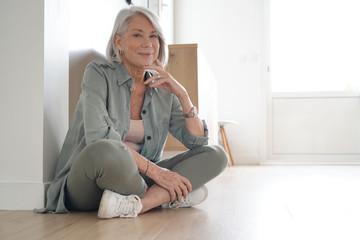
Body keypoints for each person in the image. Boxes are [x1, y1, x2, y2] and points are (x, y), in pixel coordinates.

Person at [36, 6, 228, 218]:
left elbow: (197, 143)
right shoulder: (98, 73)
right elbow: (98, 138)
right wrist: (159, 174)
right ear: (119, 42)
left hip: (138, 179)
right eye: (138, 35)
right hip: (89, 182)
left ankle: (139, 205)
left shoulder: (163, 90)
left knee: (217, 154)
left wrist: (183, 95)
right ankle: (167, 197)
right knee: (108, 149)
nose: (148, 43)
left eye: (153, 36)